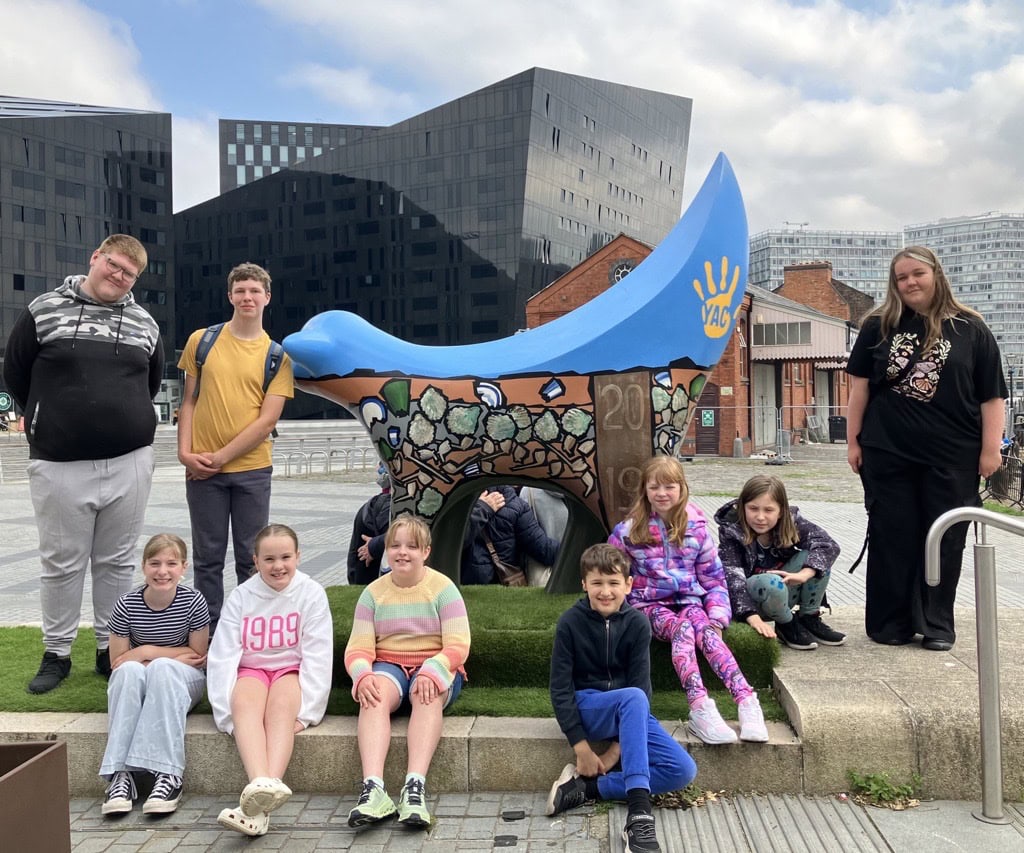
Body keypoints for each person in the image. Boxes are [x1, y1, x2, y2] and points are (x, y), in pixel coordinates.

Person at [3, 234, 163, 694]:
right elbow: (15, 372)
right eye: (113, 265)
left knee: (115, 562)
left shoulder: (144, 322)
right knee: (61, 563)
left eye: (129, 273)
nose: (118, 275)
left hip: (129, 461)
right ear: (95, 258)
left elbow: (148, 385)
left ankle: (110, 650)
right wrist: (42, 419)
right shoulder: (43, 309)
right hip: (58, 463)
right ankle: (57, 653)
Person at [846, 246, 1007, 651]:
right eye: (901, 277)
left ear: (936, 274)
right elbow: (859, 387)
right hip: (887, 450)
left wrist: (991, 450)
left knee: (945, 538)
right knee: (892, 535)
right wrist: (853, 440)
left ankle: (936, 624)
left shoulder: (971, 328)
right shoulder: (879, 325)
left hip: (953, 454)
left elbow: (992, 396)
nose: (910, 283)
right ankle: (890, 624)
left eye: (917, 274)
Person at [608, 455, 768, 746]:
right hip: (648, 605)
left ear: (682, 488)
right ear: (645, 489)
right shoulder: (629, 531)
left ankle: (746, 700)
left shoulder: (695, 527)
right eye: (655, 486)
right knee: (683, 630)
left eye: (669, 486)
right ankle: (699, 707)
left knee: (705, 631)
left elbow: (713, 578)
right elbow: (612, 572)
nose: (662, 493)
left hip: (689, 601)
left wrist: (718, 616)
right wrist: (616, 612)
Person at [547, 543, 696, 853]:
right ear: (584, 584)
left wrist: (616, 752)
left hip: (631, 710)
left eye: (613, 582)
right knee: (633, 698)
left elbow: (642, 687)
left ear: (628, 585)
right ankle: (639, 817)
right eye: (597, 583)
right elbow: (560, 690)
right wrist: (581, 747)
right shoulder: (570, 623)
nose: (605, 591)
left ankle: (589, 788)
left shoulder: (638, 624)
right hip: (589, 707)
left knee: (682, 770)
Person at [177, 263, 294, 633]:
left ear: (267, 298)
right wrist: (184, 453)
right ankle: (209, 633)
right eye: (241, 290)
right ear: (230, 296)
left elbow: (266, 422)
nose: (247, 297)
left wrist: (219, 458)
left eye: (254, 291)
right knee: (207, 559)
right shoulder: (202, 341)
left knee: (251, 557)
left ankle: (250, 629)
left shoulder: (278, 356)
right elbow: (189, 402)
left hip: (251, 471)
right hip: (201, 471)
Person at [207, 524, 333, 837]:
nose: (278, 566)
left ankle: (258, 800)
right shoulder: (242, 596)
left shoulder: (311, 593)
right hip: (251, 669)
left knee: (281, 709)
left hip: (289, 670)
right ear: (256, 560)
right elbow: (222, 654)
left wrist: (308, 712)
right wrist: (225, 713)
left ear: (298, 556)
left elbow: (319, 654)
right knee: (244, 706)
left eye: (286, 557)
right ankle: (263, 788)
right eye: (269, 559)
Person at [344, 515, 470, 830]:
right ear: (386, 551)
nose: (403, 552)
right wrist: (362, 675)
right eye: (395, 546)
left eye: (412, 546)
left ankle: (414, 788)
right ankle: (373, 788)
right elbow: (358, 649)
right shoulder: (372, 593)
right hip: (388, 664)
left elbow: (458, 645)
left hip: (436, 664)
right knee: (372, 698)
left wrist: (433, 669)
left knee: (425, 694)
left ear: (425, 551)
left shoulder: (444, 588)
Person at [99, 534, 209, 816]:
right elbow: (119, 662)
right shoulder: (126, 605)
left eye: (172, 563)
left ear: (184, 567)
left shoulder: (194, 601)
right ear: (144, 566)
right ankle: (120, 775)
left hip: (184, 680)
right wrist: (145, 659)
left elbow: (197, 656)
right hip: (140, 678)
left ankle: (168, 774)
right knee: (129, 673)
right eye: (155, 563)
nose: (163, 571)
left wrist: (146, 650)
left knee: (159, 668)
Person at [715, 475, 844, 651]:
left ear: (781, 511)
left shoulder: (791, 521)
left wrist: (804, 573)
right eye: (753, 508)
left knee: (816, 560)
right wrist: (751, 617)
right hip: (752, 601)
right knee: (771, 582)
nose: (760, 517)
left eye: (768, 510)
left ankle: (809, 617)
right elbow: (732, 578)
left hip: (785, 591)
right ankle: (786, 624)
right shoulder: (732, 532)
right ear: (742, 508)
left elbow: (828, 545)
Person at [461, 485, 560, 585]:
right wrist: (482, 509)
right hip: (500, 586)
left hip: (469, 587)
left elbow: (541, 547)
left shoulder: (458, 501)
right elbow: (542, 548)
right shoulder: (513, 503)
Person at [347, 462, 392, 584]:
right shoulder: (386, 508)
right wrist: (375, 545)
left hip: (361, 577)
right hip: (371, 581)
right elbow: (405, 536)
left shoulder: (377, 505)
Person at [519, 486, 569, 587]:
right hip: (583, 568)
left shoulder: (529, 490)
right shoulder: (587, 490)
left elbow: (530, 539)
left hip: (544, 572)